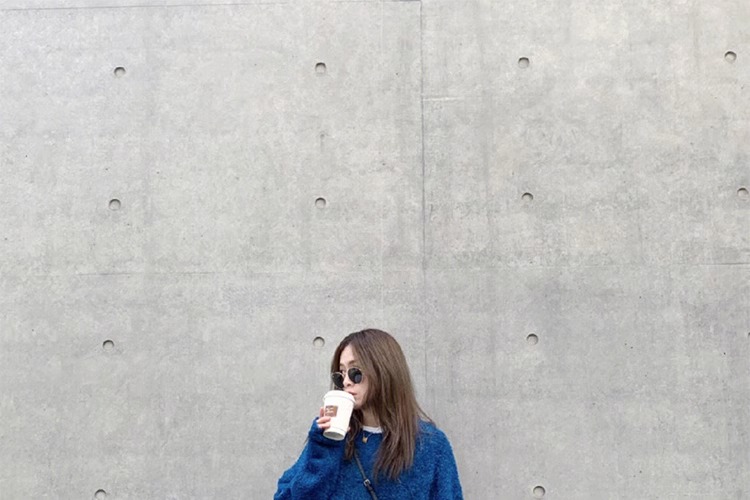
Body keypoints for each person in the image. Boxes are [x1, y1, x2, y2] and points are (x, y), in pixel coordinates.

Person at [274, 328, 463, 499]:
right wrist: (324, 448)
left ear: (384, 370)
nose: (346, 382)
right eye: (341, 374)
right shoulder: (330, 438)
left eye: (355, 372)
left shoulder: (430, 445)